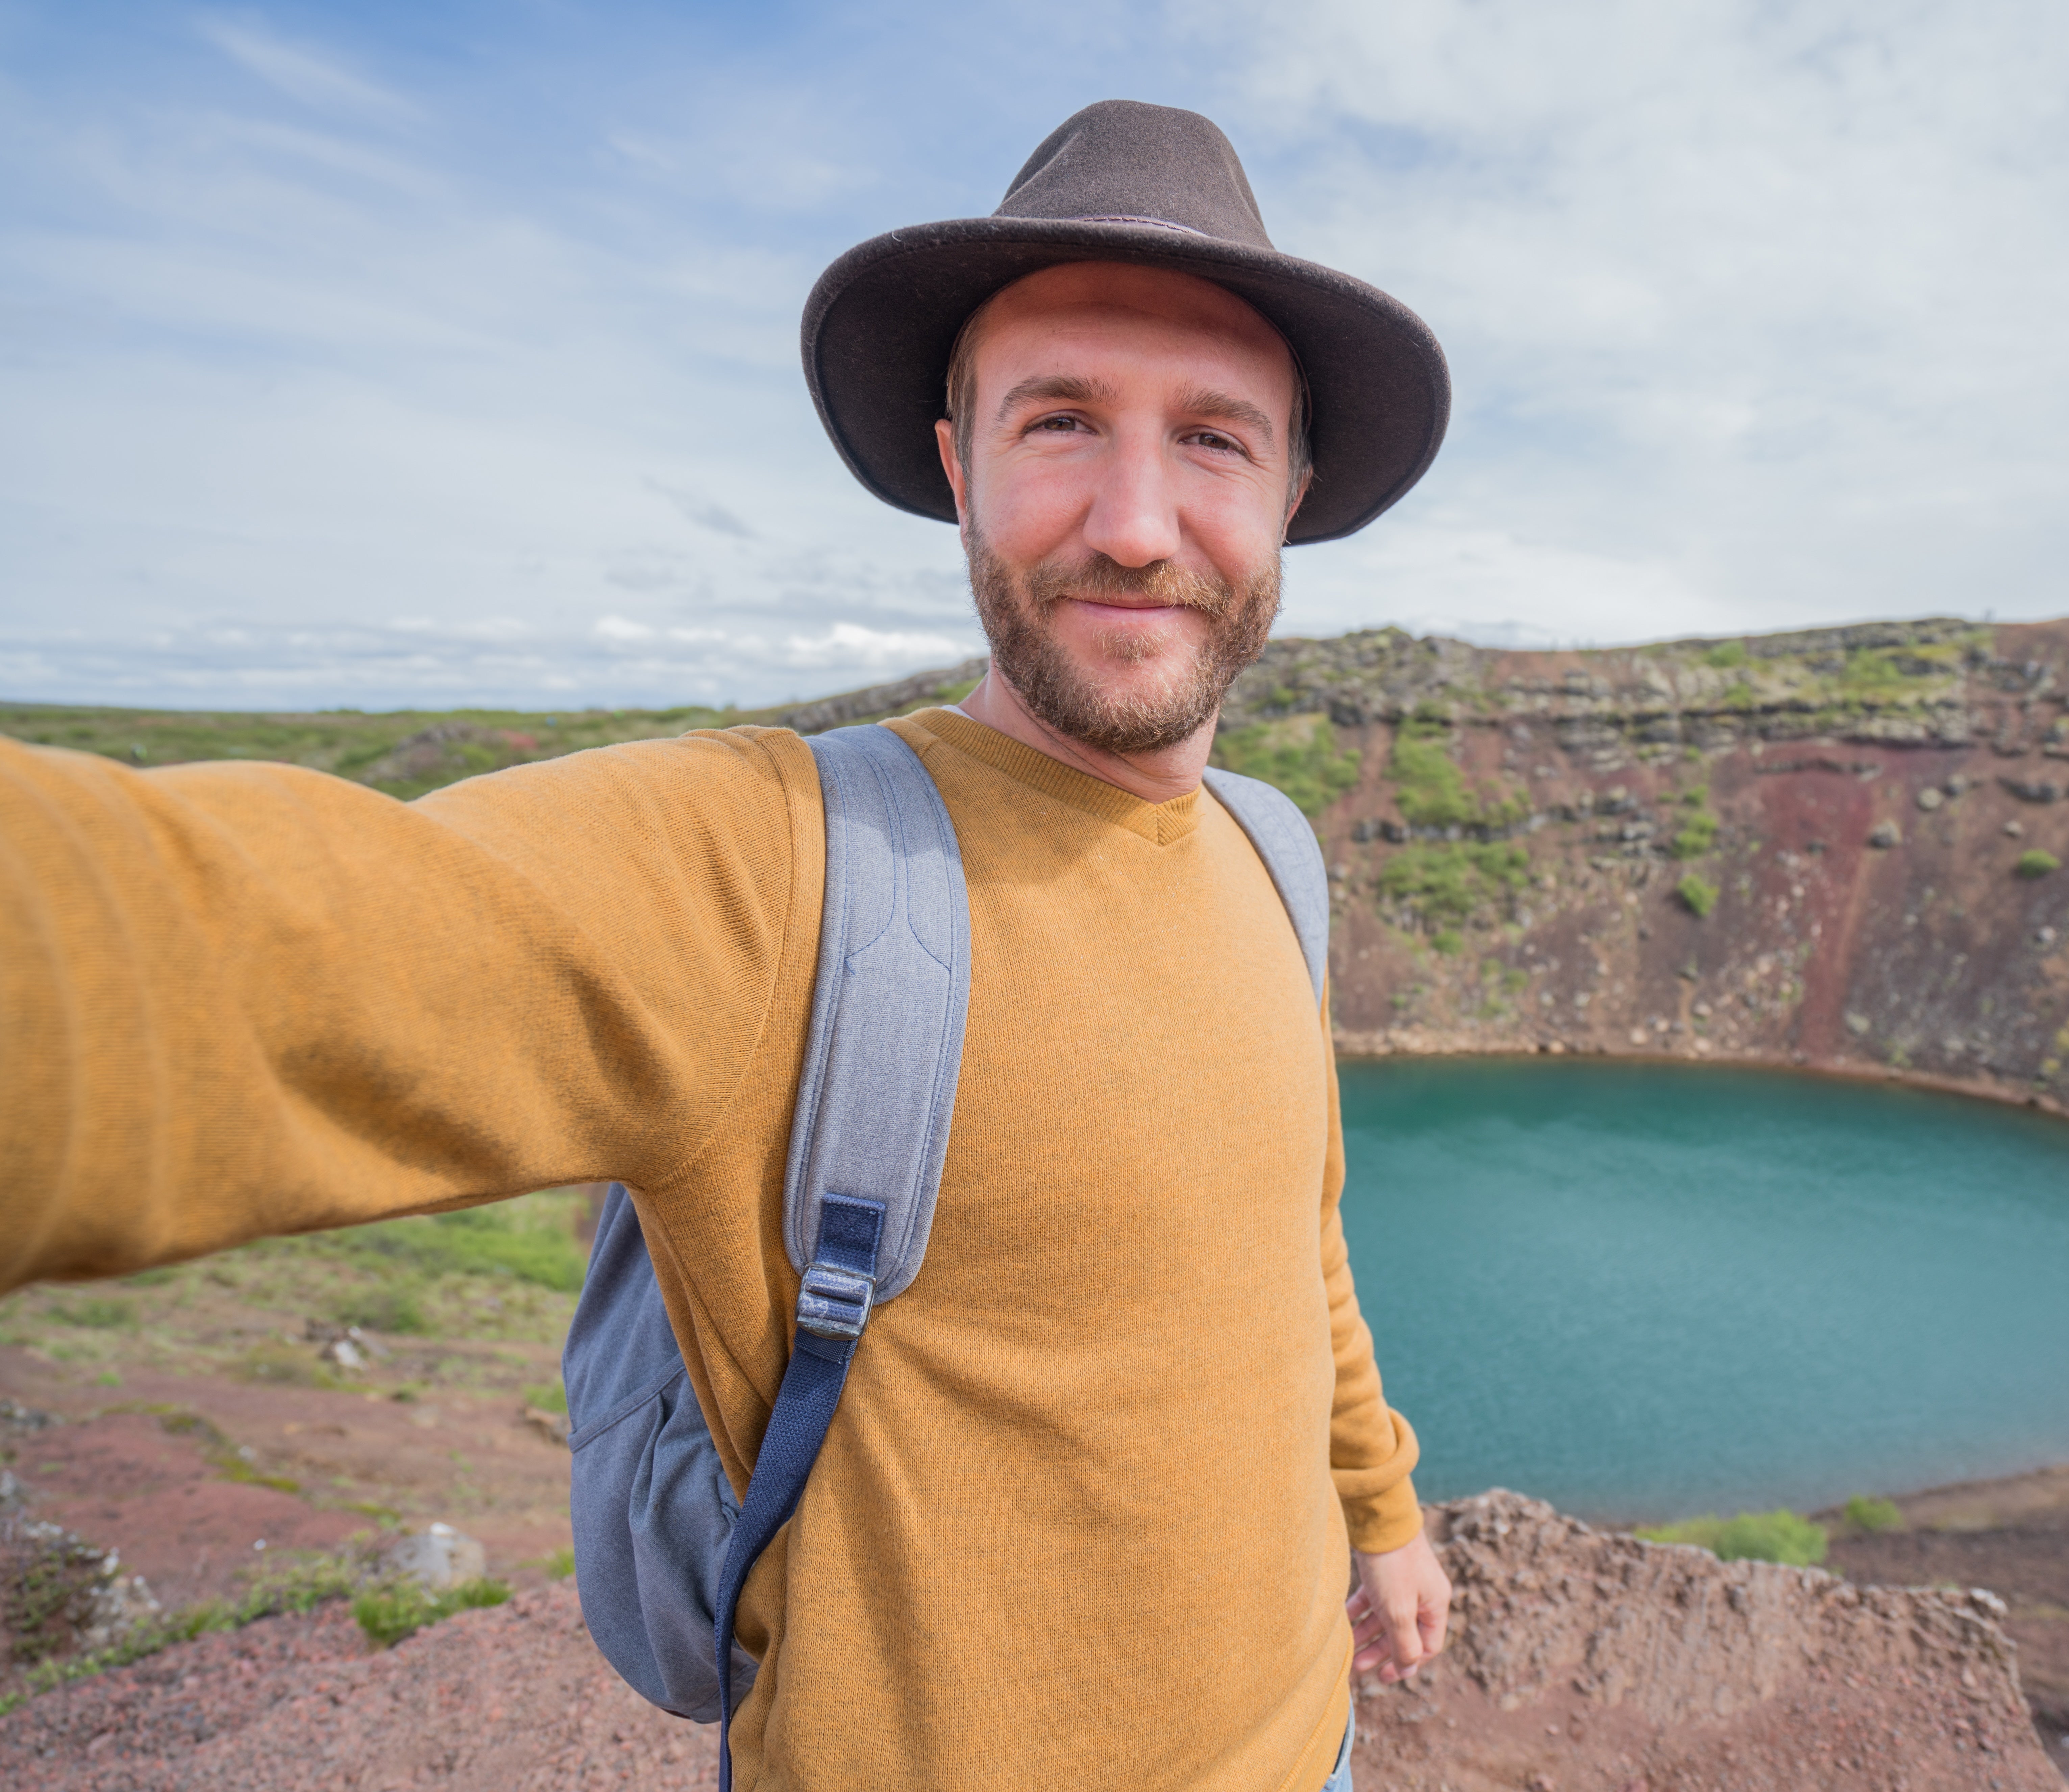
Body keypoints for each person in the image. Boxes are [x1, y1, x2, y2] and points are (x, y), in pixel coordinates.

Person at [0, 100, 1455, 1791]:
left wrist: (1380, 1510)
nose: (1135, 523)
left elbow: (1300, 1246)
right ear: (954, 466)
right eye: (1059, 420)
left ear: (1291, 489)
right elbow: (187, 949)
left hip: (1311, 1751)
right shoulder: (767, 873)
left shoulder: (1269, 857)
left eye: (1214, 439)